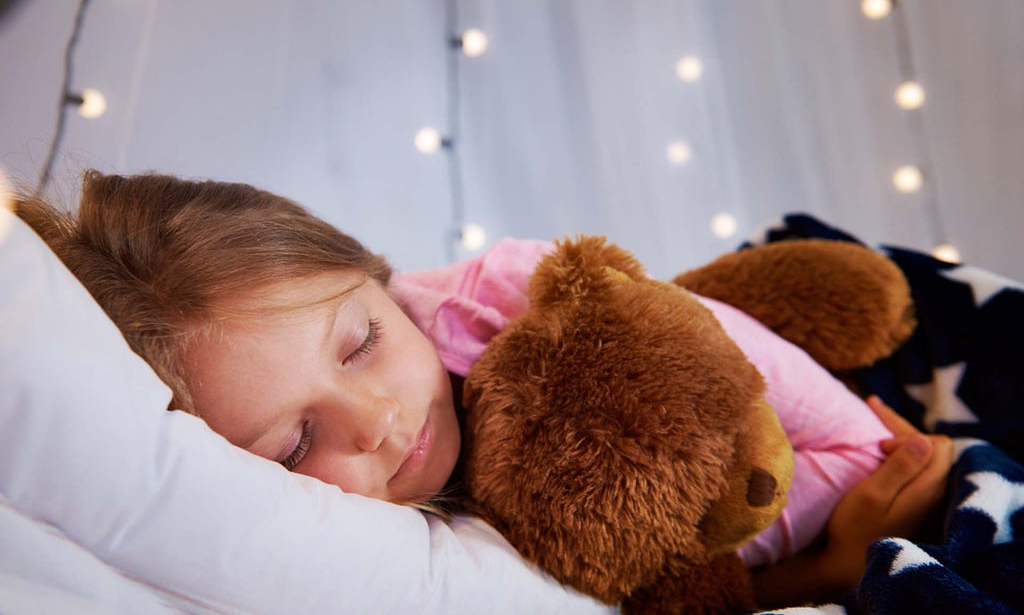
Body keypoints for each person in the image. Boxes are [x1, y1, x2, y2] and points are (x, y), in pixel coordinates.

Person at [14, 170, 953, 607]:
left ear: (378, 276)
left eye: (360, 344)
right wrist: (827, 574)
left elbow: (841, 446)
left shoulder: (509, 305)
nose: (380, 421)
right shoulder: (427, 563)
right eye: (295, 445)